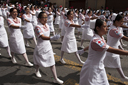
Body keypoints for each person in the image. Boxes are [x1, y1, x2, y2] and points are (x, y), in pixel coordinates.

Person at [79, 19, 128, 85]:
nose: (107, 28)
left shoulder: (100, 38)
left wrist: (83, 49)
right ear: (97, 28)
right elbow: (111, 49)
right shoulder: (96, 40)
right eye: (104, 26)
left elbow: (91, 46)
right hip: (92, 69)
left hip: (100, 68)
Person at [33, 12, 63, 84]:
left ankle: (55, 78)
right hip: (41, 47)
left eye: (46, 17)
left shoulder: (47, 25)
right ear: (39, 19)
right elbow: (42, 37)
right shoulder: (37, 27)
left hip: (48, 46)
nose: (45, 19)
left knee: (52, 62)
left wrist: (55, 35)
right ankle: (37, 70)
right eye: (43, 17)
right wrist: (52, 38)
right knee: (38, 62)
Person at [104, 14, 128, 80]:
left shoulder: (114, 27)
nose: (122, 23)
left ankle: (123, 77)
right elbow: (124, 38)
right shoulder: (114, 30)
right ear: (116, 21)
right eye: (121, 21)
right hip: (111, 50)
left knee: (117, 64)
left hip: (112, 49)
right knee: (102, 64)